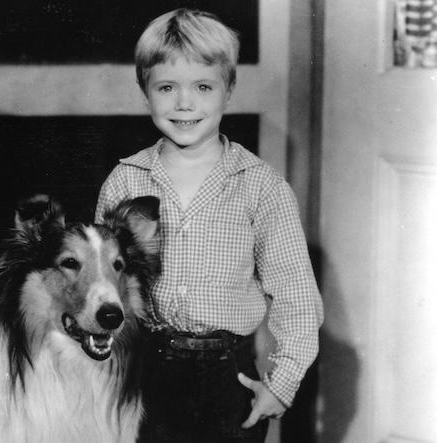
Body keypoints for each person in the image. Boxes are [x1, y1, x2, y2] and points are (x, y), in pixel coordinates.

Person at [94, 8, 324, 443]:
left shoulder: (262, 187)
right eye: (167, 87)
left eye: (203, 86)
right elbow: (103, 286)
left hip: (228, 375)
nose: (185, 103)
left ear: (229, 91)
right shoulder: (125, 180)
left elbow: (296, 295)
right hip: (147, 371)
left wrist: (282, 383)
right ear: (145, 92)